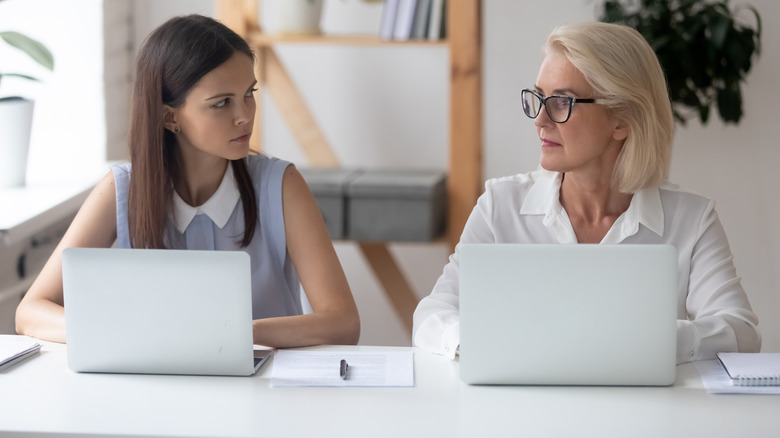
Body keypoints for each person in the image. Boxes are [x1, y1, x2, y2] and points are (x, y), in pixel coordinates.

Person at [412, 22, 760, 364]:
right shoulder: (499, 207)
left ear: (623, 119)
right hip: (521, 412)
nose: (540, 120)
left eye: (562, 102)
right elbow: (432, 315)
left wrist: (649, 338)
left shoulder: (691, 220)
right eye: (539, 98)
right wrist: (483, 343)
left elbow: (741, 332)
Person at [15, 14, 360, 347]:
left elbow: (342, 322)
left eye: (249, 94)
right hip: (157, 392)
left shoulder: (281, 184)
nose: (245, 116)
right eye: (222, 103)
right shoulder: (120, 189)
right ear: (169, 117)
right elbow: (31, 313)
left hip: (267, 393)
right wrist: (118, 332)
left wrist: (237, 331)